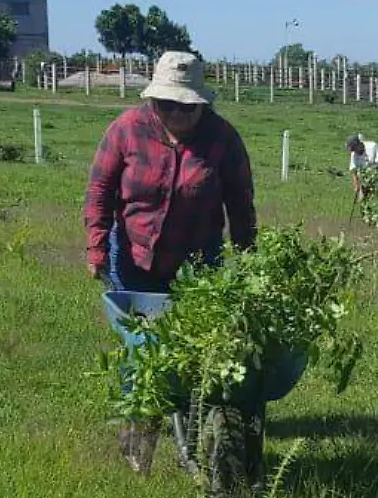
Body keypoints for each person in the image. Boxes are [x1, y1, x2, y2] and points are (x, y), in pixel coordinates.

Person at [85, 50, 258, 470]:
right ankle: (136, 444)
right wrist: (95, 246)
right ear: (153, 100)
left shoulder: (222, 138)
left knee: (198, 353)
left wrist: (250, 258)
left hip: (198, 264)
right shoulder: (126, 130)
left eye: (186, 105)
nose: (176, 112)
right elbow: (100, 190)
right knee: (139, 352)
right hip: (133, 259)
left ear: (201, 103)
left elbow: (240, 202)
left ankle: (197, 435)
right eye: (166, 104)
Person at [346, 133, 378, 202]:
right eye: (353, 149)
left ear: (359, 144)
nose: (354, 151)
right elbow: (353, 171)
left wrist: (369, 181)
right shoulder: (354, 154)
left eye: (354, 148)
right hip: (366, 175)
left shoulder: (372, 146)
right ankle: (364, 209)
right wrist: (356, 185)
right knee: (362, 198)